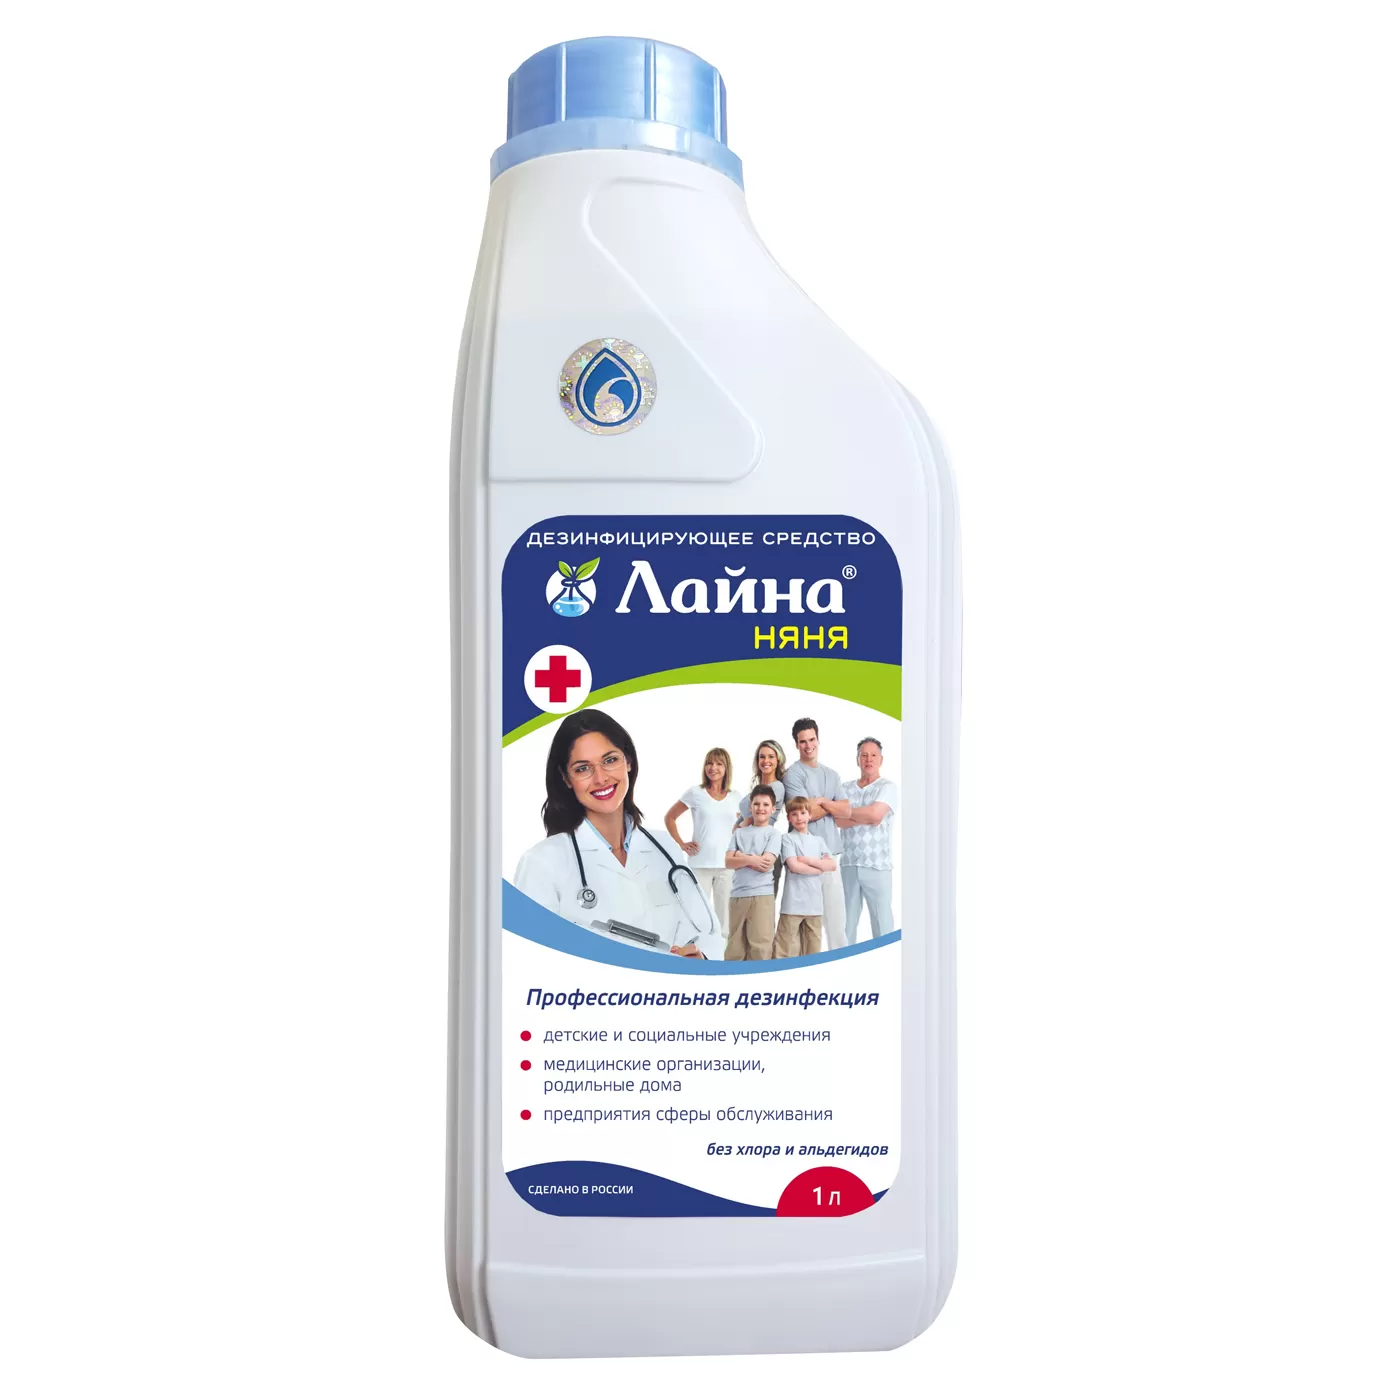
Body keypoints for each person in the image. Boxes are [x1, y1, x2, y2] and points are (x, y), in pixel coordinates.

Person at [512, 709, 724, 959]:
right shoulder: (542, 862)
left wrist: (701, 956)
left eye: (610, 760)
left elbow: (709, 933)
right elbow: (531, 959)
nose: (601, 778)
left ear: (628, 761)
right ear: (566, 779)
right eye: (583, 768)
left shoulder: (664, 847)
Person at [780, 718, 852, 945]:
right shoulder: (793, 774)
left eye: (812, 740)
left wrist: (820, 801)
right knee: (805, 921)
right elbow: (801, 812)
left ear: (818, 740)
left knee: (835, 919)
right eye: (803, 741)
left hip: (828, 855)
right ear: (796, 744)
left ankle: (840, 960)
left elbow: (846, 810)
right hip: (801, 856)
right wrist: (831, 804)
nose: (808, 745)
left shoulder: (832, 774)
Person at [664, 748, 740, 939]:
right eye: (709, 763)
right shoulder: (695, 793)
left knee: (725, 920)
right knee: (697, 916)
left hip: (726, 866)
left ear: (726, 768)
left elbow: (742, 827)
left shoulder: (736, 797)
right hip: (700, 864)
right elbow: (670, 817)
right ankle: (698, 951)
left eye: (719, 764)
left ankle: (723, 953)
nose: (713, 768)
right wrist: (682, 843)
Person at [835, 737, 899, 938]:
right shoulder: (844, 788)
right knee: (845, 926)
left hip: (876, 865)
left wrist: (851, 814)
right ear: (857, 760)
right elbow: (837, 821)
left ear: (881, 759)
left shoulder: (888, 787)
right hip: (849, 864)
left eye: (873, 755)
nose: (868, 759)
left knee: (882, 925)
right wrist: (865, 816)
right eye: (864, 755)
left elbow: (875, 815)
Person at [723, 784, 783, 960]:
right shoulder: (739, 833)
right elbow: (728, 861)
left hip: (762, 896)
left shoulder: (774, 835)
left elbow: (766, 864)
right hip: (737, 896)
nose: (760, 808)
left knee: (761, 947)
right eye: (756, 804)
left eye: (765, 804)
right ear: (750, 807)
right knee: (734, 946)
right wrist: (752, 859)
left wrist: (741, 856)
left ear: (773, 809)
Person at [776, 797, 836, 957]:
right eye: (794, 814)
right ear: (788, 818)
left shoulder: (819, 841)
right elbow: (794, 866)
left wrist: (808, 860)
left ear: (810, 815)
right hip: (792, 904)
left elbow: (832, 865)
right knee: (784, 949)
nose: (799, 817)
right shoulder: (787, 838)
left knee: (813, 951)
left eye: (803, 813)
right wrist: (819, 868)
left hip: (814, 905)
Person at [735, 740, 786, 826]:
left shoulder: (777, 787)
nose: (766, 760)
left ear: (778, 760)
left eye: (771, 757)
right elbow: (737, 826)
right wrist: (740, 826)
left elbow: (754, 822)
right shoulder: (757, 790)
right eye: (762, 757)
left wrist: (741, 826)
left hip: (761, 834)